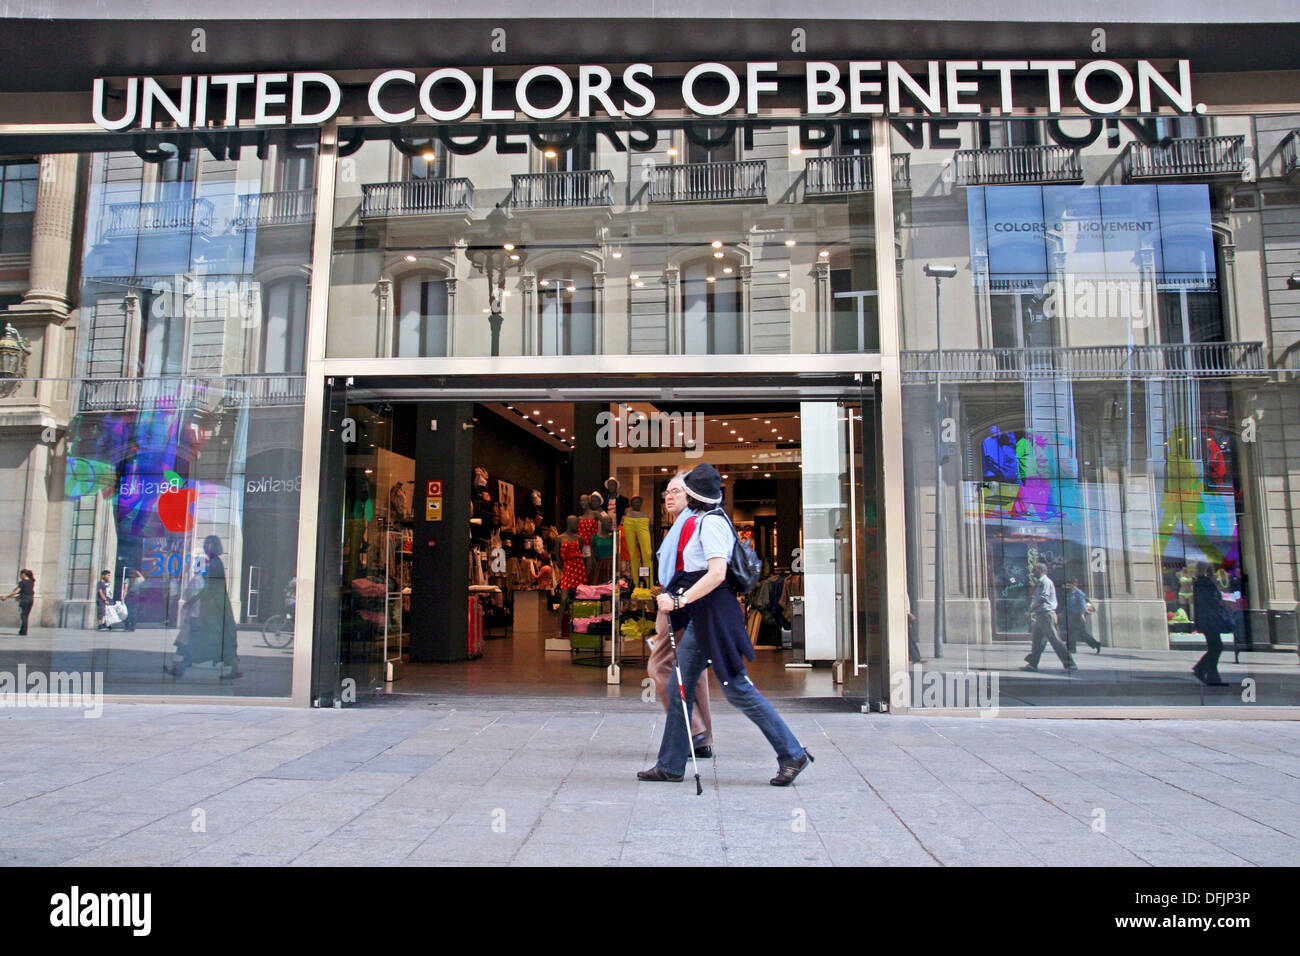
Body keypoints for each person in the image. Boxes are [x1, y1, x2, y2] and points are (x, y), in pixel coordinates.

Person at [638, 463, 812, 787]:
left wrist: (678, 601)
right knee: (682, 687)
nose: (677, 493)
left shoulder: (711, 524)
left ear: (693, 493)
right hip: (704, 618)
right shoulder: (707, 520)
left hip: (713, 618)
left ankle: (792, 753)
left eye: (683, 488)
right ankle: (671, 764)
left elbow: (716, 573)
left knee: (736, 688)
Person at [646, 472, 713, 758]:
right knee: (693, 671)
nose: (669, 497)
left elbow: (688, 569)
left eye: (676, 492)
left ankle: (694, 730)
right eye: (667, 493)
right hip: (685, 602)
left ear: (690, 495)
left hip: (678, 603)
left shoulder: (688, 523)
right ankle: (702, 737)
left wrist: (674, 599)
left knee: (659, 667)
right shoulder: (683, 524)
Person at [170, 535, 241, 679]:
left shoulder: (215, 563)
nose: (205, 546)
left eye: (208, 544)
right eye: (205, 543)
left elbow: (209, 587)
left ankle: (181, 667)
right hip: (216, 605)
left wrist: (193, 600)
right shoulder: (215, 562)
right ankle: (182, 667)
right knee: (219, 639)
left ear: (214, 546)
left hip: (215, 607)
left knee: (201, 638)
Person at [1022, 562, 1076, 673]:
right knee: (1037, 641)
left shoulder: (1045, 582)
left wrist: (1030, 610)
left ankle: (1070, 664)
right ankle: (1033, 664)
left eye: (1035, 569)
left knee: (1055, 640)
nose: (1033, 572)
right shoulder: (1041, 582)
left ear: (1040, 570)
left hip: (1046, 615)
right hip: (1041, 615)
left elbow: (1043, 598)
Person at [1192, 563, 1230, 686]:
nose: (1214, 573)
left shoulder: (1203, 582)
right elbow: (1212, 601)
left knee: (1216, 646)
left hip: (1209, 620)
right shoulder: (1204, 583)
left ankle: (1202, 669)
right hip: (1209, 620)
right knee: (1216, 646)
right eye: (1211, 570)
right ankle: (1209, 674)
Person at [1064, 576, 1101, 654]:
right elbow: (1068, 605)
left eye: (1071, 583)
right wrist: (1062, 613)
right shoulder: (1070, 593)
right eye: (1069, 583)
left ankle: (1096, 644)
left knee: (1081, 633)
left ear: (1075, 584)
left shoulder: (1079, 593)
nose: (1069, 585)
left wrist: (1082, 614)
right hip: (1072, 615)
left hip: (1078, 615)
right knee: (1071, 632)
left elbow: (1082, 605)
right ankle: (1071, 648)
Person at [1, 569, 35, 636]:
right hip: (31, 600)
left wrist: (6, 597)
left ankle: (23, 631)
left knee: (23, 616)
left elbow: (16, 592)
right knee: (26, 616)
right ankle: (22, 630)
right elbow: (28, 591)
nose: (20, 576)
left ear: (23, 574)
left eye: (20, 574)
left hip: (24, 601)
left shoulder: (22, 582)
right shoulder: (31, 582)